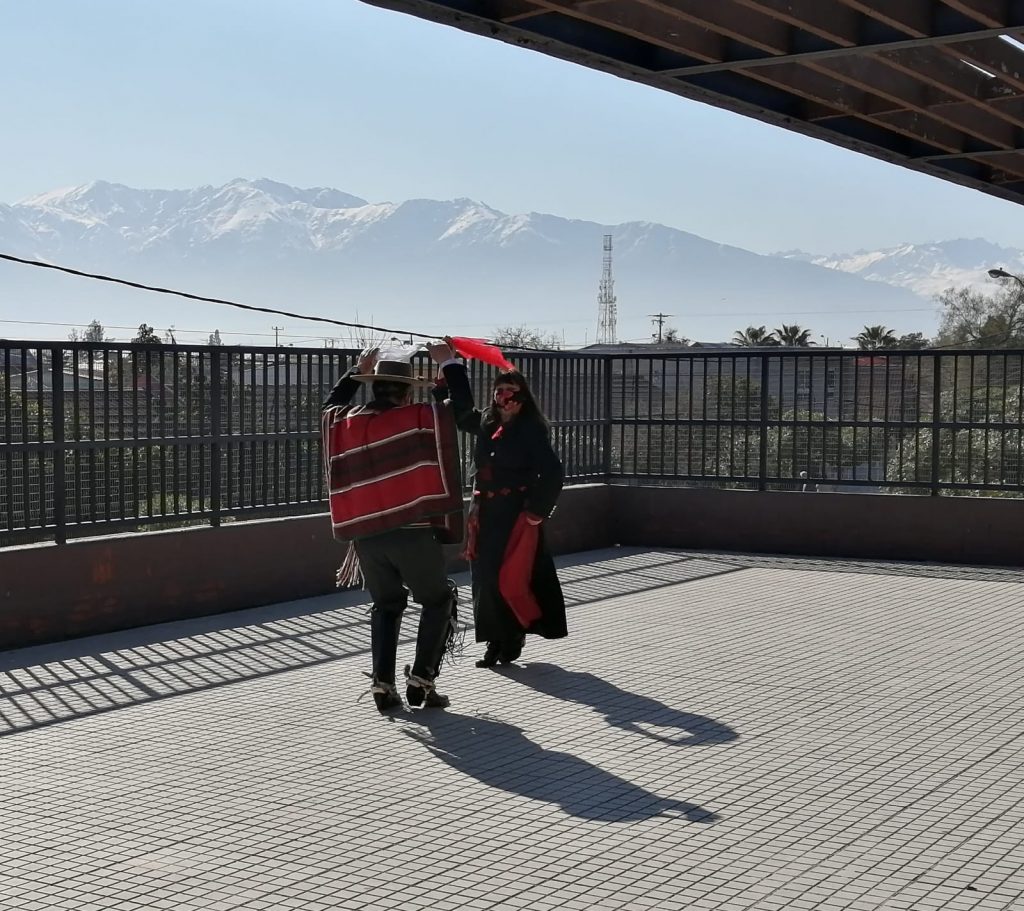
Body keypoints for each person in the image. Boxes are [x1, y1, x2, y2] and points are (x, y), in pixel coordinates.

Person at [321, 343, 464, 713]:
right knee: (438, 599)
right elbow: (458, 412)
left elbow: (328, 408)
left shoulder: (346, 422)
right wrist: (448, 365)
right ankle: (422, 679)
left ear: (373, 387)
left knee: (386, 605)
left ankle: (383, 685)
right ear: (404, 391)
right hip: (412, 531)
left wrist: (354, 369)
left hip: (367, 536)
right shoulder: (416, 418)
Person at [434, 340, 567, 666]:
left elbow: (552, 472)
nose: (502, 398)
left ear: (521, 399)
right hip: (484, 513)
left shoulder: (532, 431)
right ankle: (496, 641)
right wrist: (450, 366)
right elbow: (462, 411)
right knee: (485, 578)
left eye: (509, 391)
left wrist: (537, 512)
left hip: (516, 514)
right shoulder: (487, 424)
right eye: (498, 391)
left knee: (511, 576)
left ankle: (513, 637)